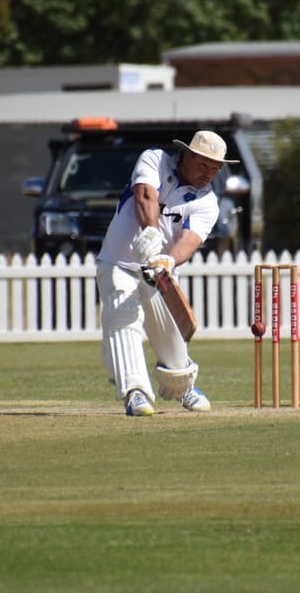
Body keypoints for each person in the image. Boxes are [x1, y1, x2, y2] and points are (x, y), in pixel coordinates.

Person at [96, 130, 237, 416]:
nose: (207, 173)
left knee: (171, 337)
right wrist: (149, 231)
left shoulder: (207, 202)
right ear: (187, 155)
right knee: (123, 318)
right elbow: (145, 195)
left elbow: (190, 241)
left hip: (159, 271)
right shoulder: (155, 159)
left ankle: (182, 385)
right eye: (202, 165)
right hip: (119, 262)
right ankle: (135, 392)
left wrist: (167, 262)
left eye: (215, 168)